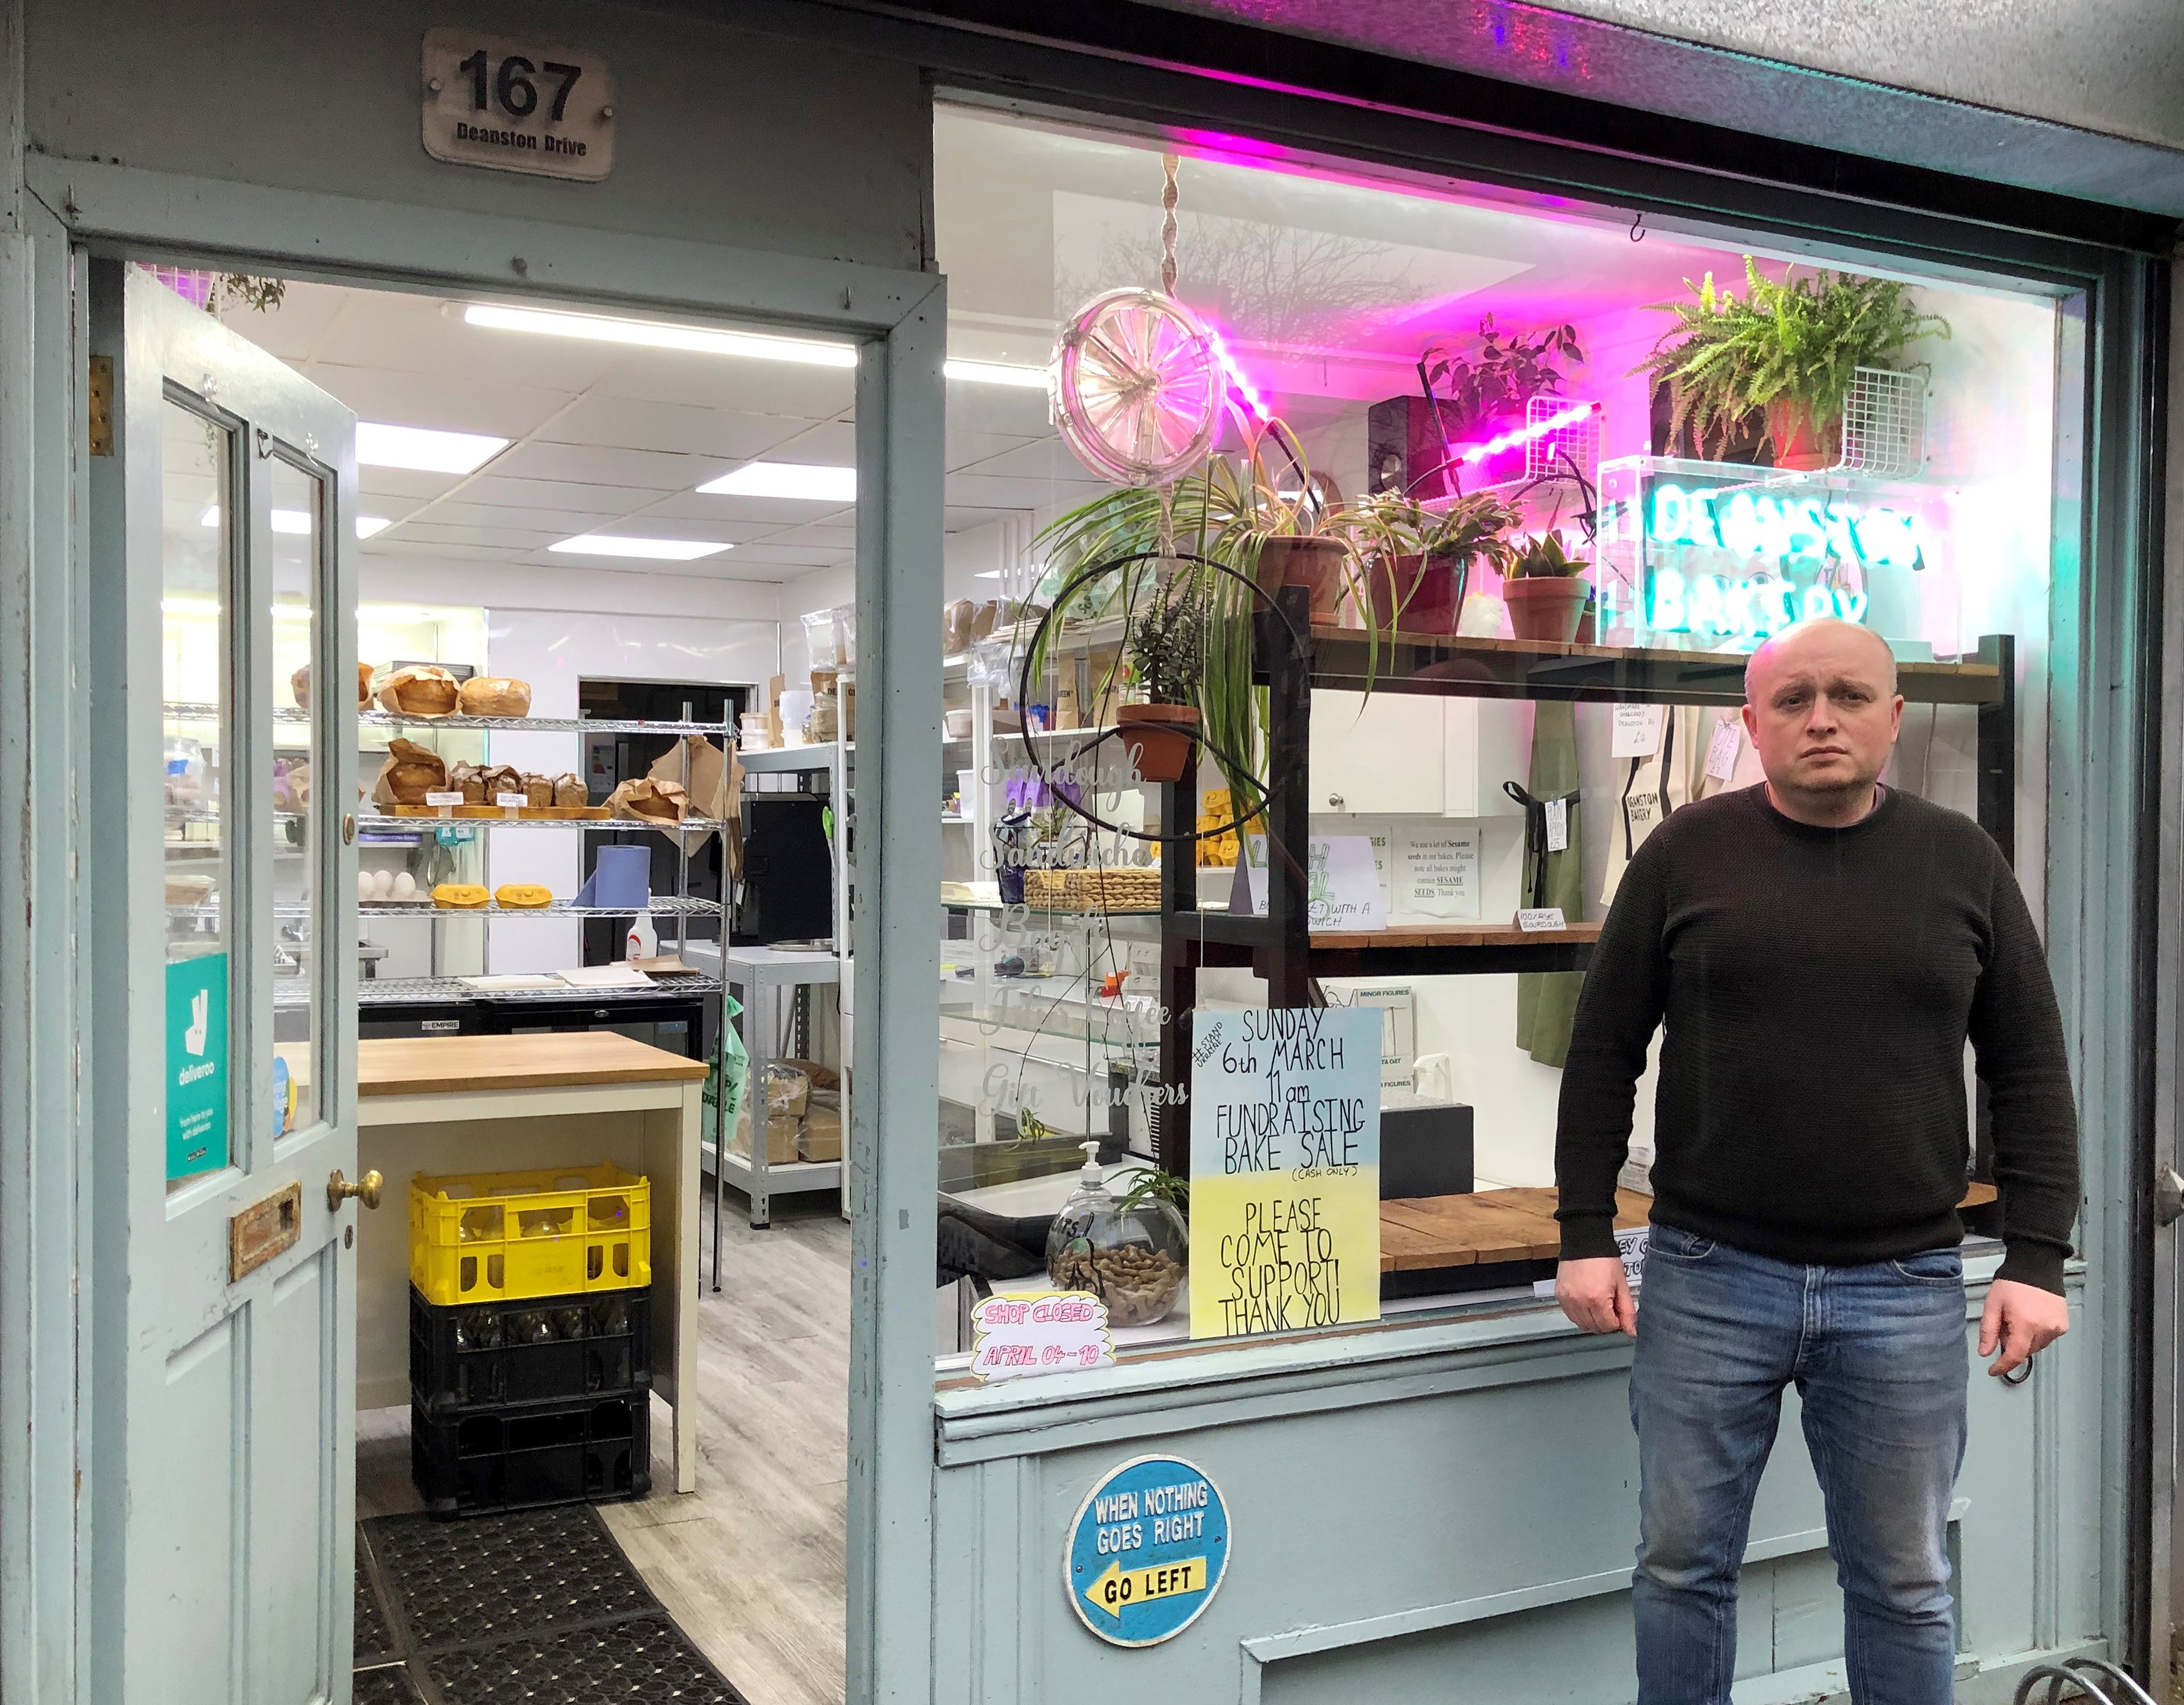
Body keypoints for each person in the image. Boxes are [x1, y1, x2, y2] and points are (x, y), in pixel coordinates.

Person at [1553, 617, 2079, 1705]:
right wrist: (1581, 1233)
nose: (1820, 718)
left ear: (1894, 716)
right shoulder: (1685, 852)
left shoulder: (1959, 861)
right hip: (1704, 1275)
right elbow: (1602, 1048)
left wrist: (2035, 1255)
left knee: (1901, 1581)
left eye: (1847, 696)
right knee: (1679, 1570)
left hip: (1903, 1288)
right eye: (1790, 700)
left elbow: (2028, 1065)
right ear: (1750, 724)